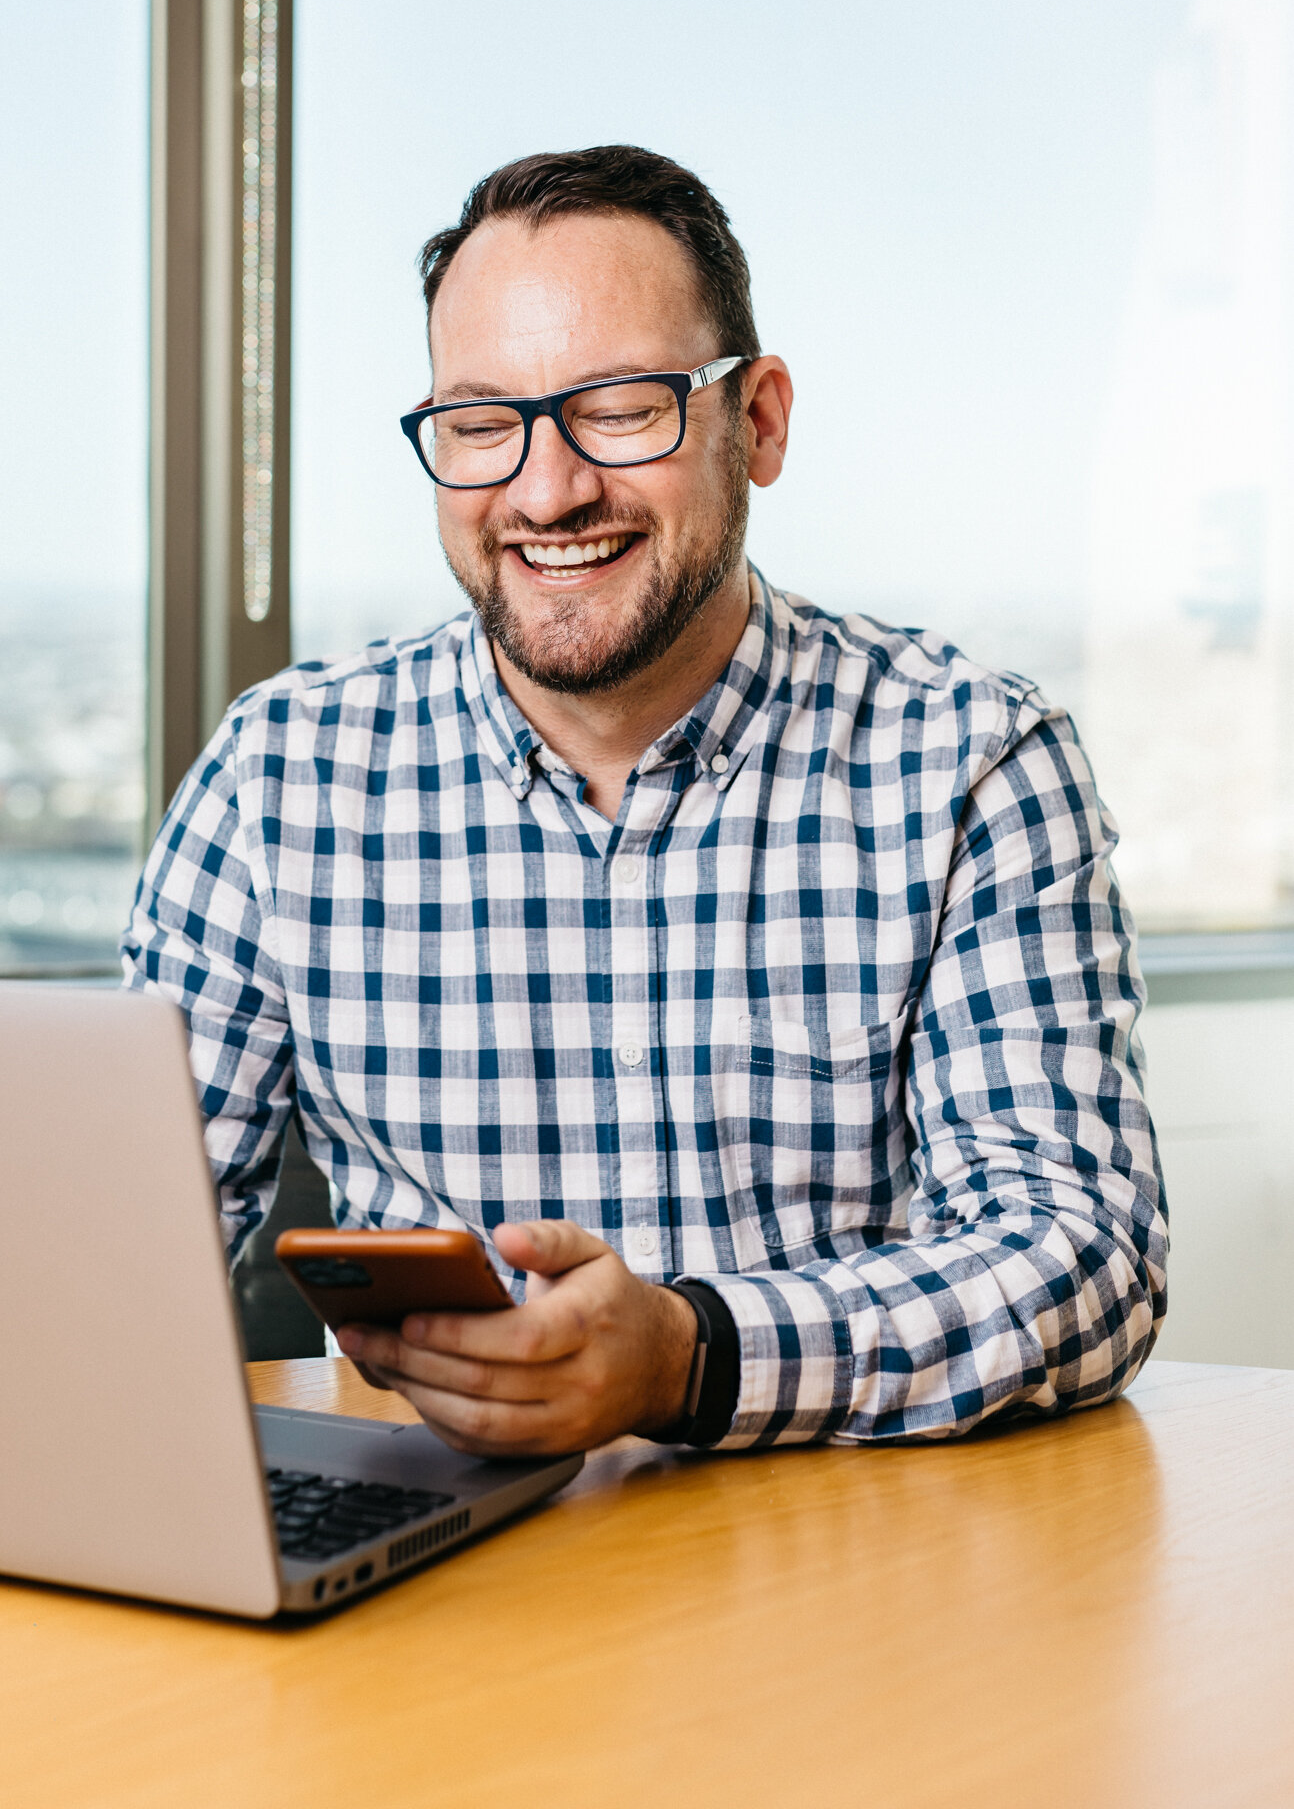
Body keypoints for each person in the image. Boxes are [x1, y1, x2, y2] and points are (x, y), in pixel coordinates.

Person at [123, 144, 1166, 1457]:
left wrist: (687, 1355)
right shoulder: (280, 779)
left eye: (619, 409)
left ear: (759, 421)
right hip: (448, 1581)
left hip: (863, 1576)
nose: (546, 490)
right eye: (481, 423)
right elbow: (118, 1270)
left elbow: (1082, 1258)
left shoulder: (966, 762)